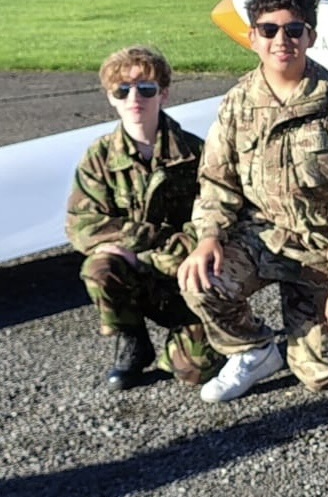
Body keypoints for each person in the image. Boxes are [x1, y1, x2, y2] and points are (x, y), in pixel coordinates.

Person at [177, 0, 328, 403]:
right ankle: (255, 349)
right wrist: (209, 236)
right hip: (260, 240)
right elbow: (217, 180)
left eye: (293, 29)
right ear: (253, 37)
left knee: (325, 374)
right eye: (269, 29)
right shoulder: (236, 103)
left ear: (311, 36)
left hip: (317, 251)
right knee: (199, 280)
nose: (281, 39)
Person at [66, 46, 219, 391]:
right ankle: (133, 340)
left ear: (163, 94)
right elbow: (81, 223)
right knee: (100, 268)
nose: (134, 97)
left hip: (185, 276)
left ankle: (185, 343)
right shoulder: (100, 157)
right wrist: (134, 249)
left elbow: (212, 221)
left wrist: (142, 249)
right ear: (112, 98)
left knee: (195, 370)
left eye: (146, 89)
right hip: (135, 275)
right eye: (123, 90)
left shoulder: (195, 153)